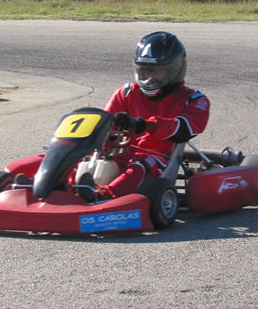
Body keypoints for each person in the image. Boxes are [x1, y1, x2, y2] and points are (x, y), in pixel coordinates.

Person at [79, 31, 210, 201]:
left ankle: (102, 196)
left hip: (158, 161)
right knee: (84, 160)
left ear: (174, 70)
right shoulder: (127, 93)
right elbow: (106, 122)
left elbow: (183, 129)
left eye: (156, 72)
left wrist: (143, 124)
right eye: (145, 71)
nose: (149, 77)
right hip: (123, 155)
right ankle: (60, 187)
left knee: (140, 166)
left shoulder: (194, 100)